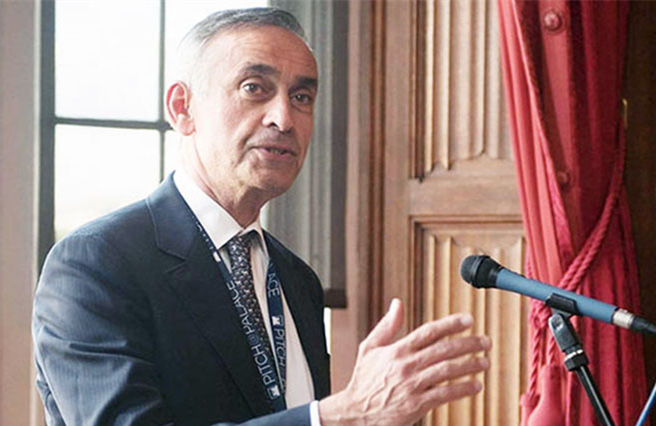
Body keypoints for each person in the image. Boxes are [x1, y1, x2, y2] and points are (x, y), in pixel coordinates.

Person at [32, 7, 491, 426]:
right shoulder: (96, 263)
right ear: (182, 108)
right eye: (255, 88)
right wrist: (341, 415)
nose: (284, 119)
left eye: (302, 96)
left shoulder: (298, 280)